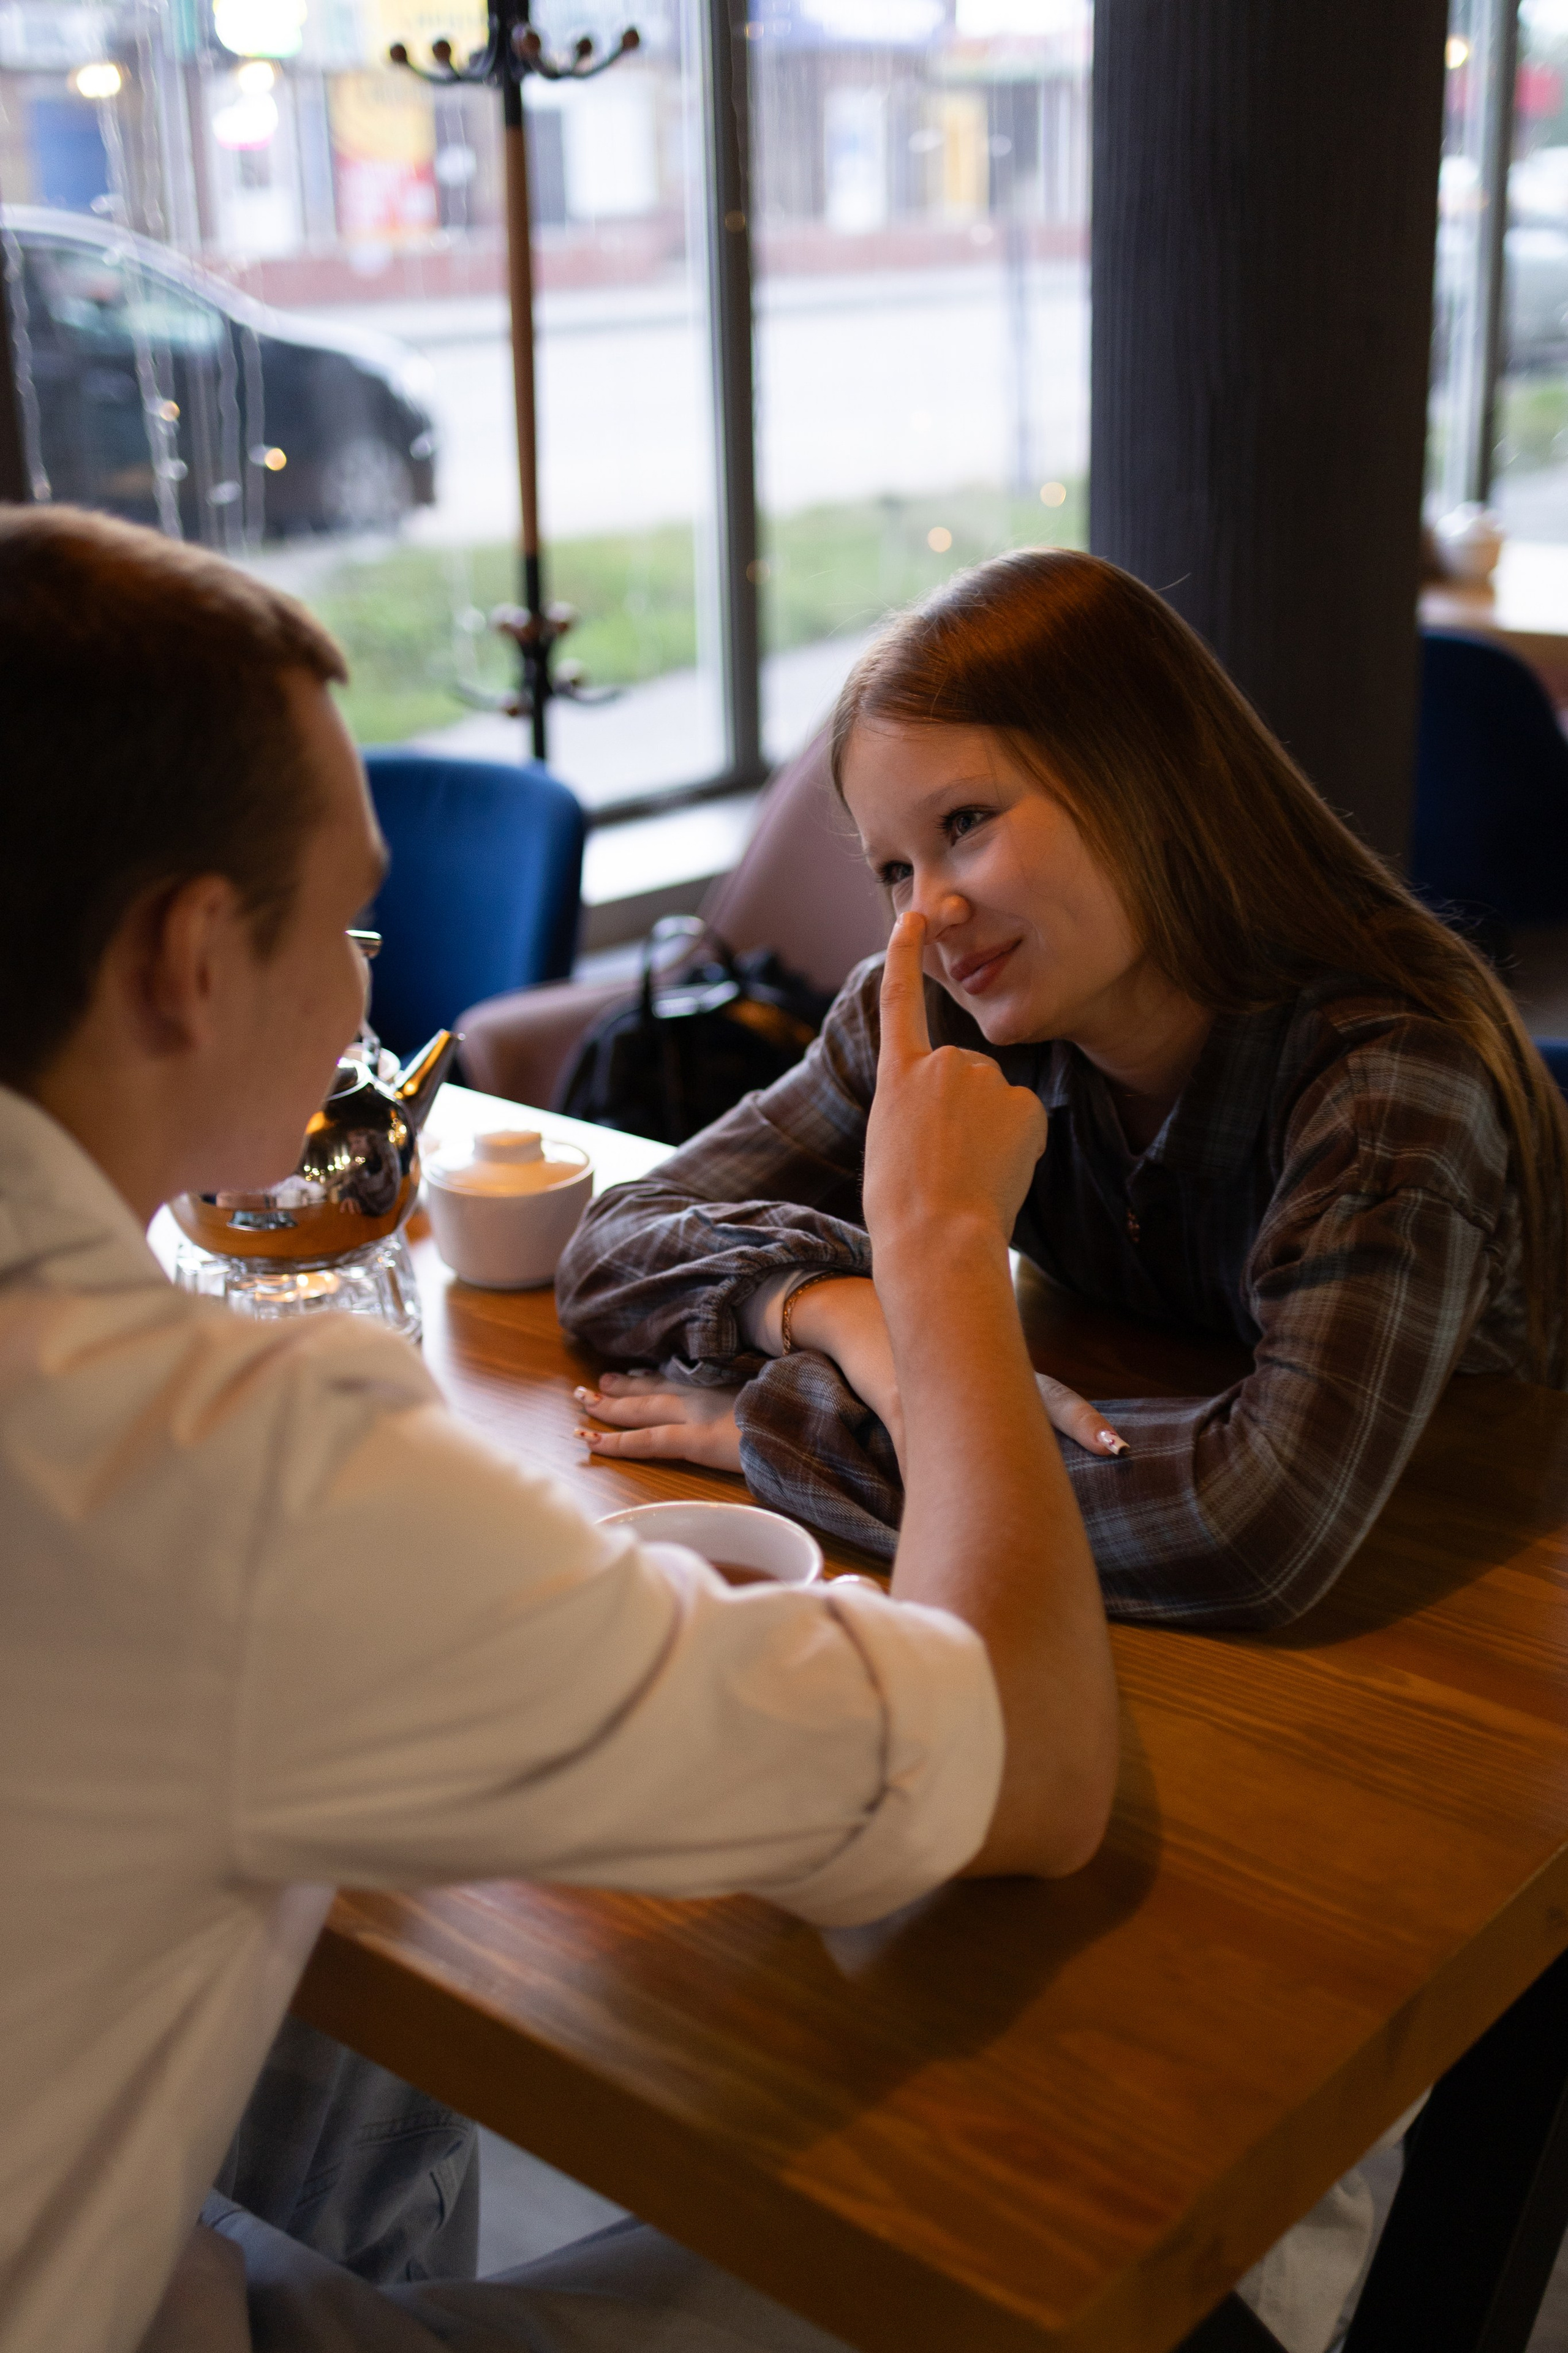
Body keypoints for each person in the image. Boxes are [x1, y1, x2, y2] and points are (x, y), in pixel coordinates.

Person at [0, 507, 1120, 2353]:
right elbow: (1040, 1766)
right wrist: (926, 1266)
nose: (375, 993)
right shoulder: (222, 1472)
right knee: (958, 2275)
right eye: (349, 921)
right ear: (192, 958)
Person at [557, 547, 1568, 1628]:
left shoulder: (1387, 1088)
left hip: (1459, 1639)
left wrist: (794, 1427)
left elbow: (1250, 1526)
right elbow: (613, 1246)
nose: (928, 914)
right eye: (895, 868)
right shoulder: (933, 1022)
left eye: (965, 825)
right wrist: (843, 1319)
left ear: (1147, 773)